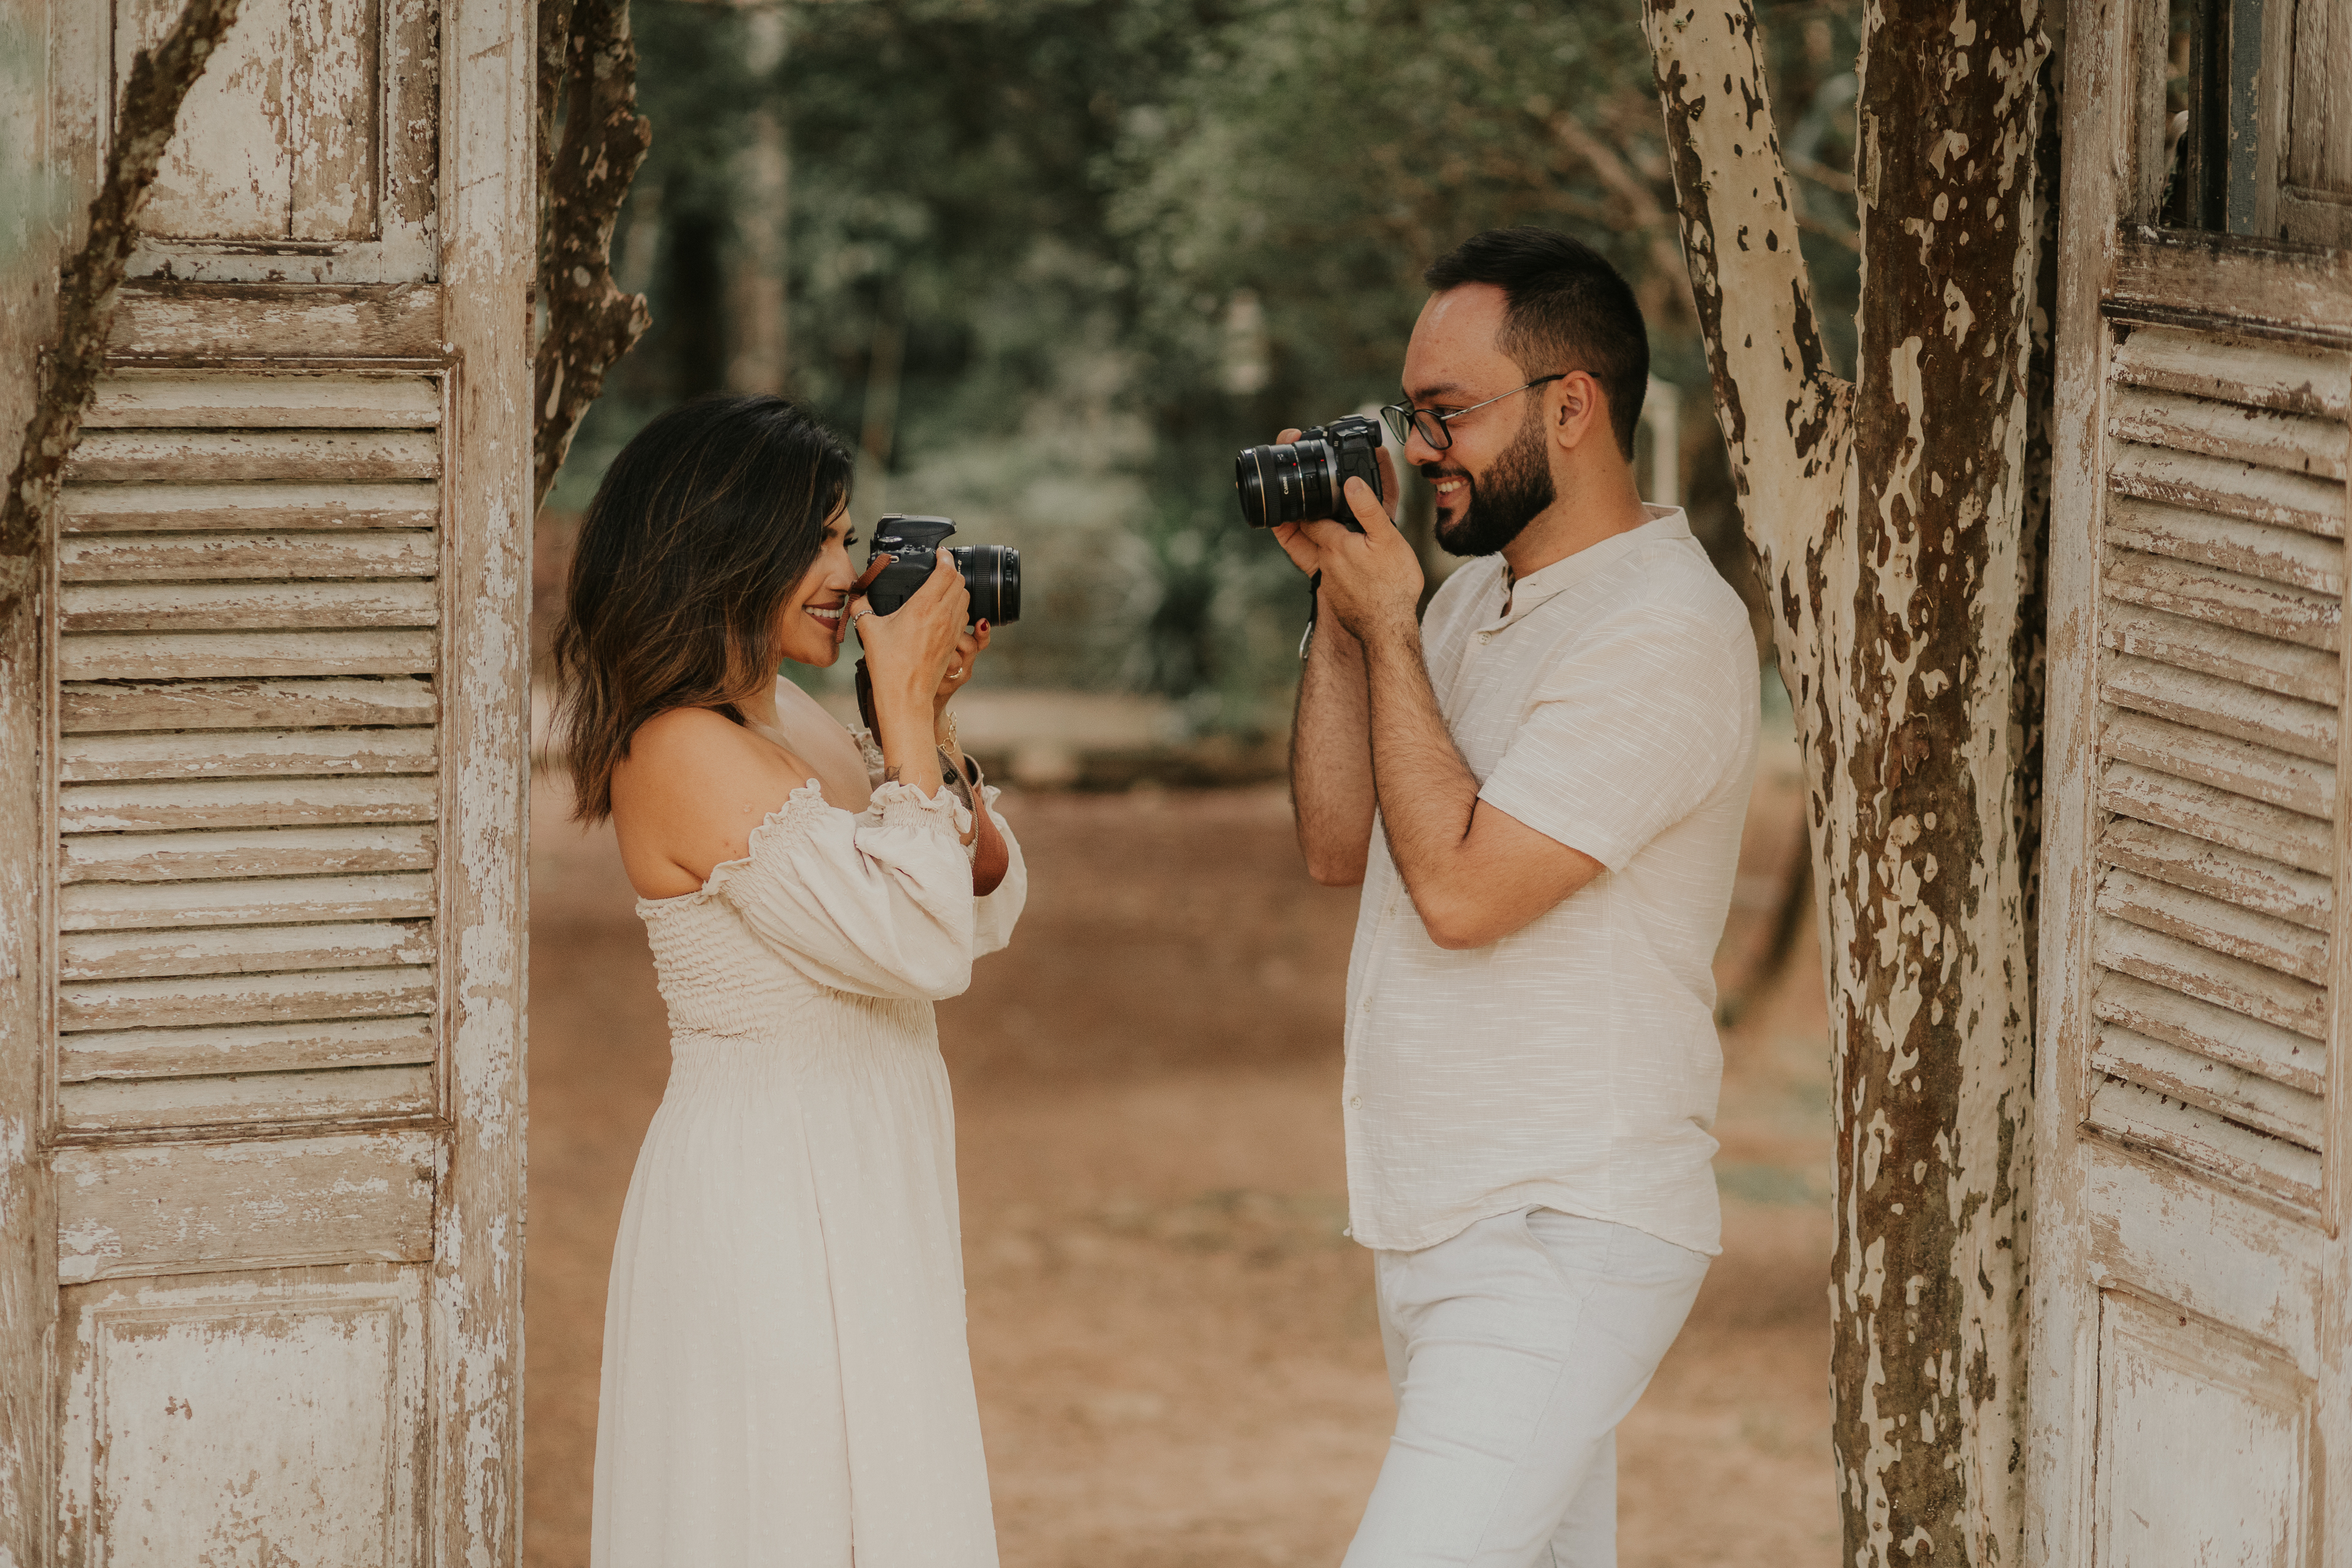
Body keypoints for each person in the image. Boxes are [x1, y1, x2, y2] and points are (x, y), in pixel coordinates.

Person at [1275, 227, 1759, 1566]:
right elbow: (1336, 837)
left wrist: (1386, 625)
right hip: (1440, 1208)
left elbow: (1467, 891)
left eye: (1448, 414)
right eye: (1412, 412)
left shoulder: (1663, 631)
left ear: (1571, 404)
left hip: (1561, 1223)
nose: (1422, 447)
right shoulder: (1469, 599)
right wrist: (1341, 603)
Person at [554, 394, 1023, 1568]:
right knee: (789, 1509)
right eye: (816, 539)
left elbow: (981, 906)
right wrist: (904, 717)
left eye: (845, 535)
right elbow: (919, 947)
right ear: (724, 552)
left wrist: (933, 727)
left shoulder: (792, 718)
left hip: (866, 1163)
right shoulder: (679, 747)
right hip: (771, 1189)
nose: (846, 571)